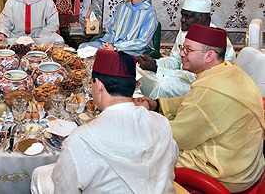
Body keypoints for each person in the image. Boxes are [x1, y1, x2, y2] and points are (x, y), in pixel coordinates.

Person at [135, 24, 265, 193]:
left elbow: (176, 136)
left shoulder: (210, 92)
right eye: (182, 48)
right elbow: (192, 101)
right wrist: (158, 104)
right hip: (245, 163)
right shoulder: (229, 71)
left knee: (143, 157)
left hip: (226, 173)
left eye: (188, 50)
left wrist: (140, 118)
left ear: (209, 55)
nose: (181, 53)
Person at [31, 50, 179, 193]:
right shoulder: (162, 123)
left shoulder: (81, 140)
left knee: (39, 175)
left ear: (99, 85)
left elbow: (63, 189)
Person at [137, 0, 235, 99]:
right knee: (140, 71)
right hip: (179, 76)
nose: (182, 20)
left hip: (202, 86)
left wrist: (158, 69)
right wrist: (155, 63)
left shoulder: (217, 41)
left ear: (202, 17)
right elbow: (176, 60)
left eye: (188, 16)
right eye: (182, 15)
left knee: (162, 86)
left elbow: (199, 77)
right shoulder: (186, 30)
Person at [79, 0, 158, 56]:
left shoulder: (149, 13)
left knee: (106, 57)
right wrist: (107, 44)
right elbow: (111, 29)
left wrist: (116, 48)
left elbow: (142, 42)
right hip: (113, 45)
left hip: (131, 51)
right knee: (84, 47)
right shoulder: (122, 7)